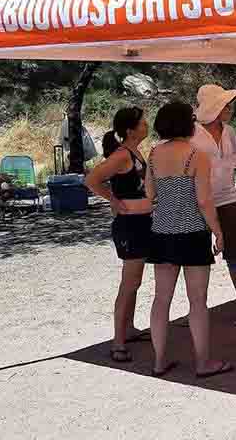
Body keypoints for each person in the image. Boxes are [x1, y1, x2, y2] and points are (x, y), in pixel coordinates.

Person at [146, 101, 233, 378]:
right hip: (193, 233)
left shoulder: (152, 154)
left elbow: (150, 196)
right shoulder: (197, 156)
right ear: (188, 123)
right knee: (197, 301)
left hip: (162, 233)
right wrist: (218, 231)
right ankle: (203, 362)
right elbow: (205, 200)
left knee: (161, 299)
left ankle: (158, 362)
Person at [85, 107, 153, 363]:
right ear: (130, 130)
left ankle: (130, 328)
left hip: (143, 221)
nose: (146, 126)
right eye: (142, 123)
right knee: (129, 283)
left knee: (134, 282)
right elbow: (92, 179)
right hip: (130, 225)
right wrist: (111, 199)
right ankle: (118, 342)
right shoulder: (122, 155)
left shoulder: (135, 152)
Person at [191, 84, 236, 327]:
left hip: (227, 197)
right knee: (197, 257)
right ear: (215, 107)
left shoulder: (229, 132)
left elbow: (233, 159)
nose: (230, 109)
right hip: (198, 200)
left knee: (234, 254)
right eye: (226, 105)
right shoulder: (192, 133)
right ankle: (197, 308)